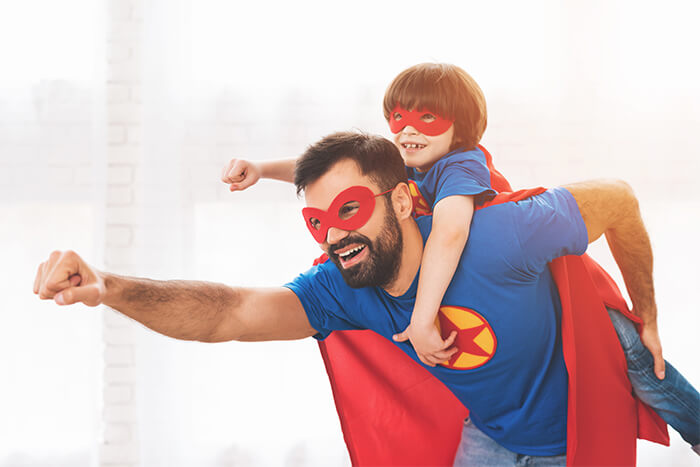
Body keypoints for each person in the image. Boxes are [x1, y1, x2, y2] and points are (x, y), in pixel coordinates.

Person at [35, 133, 695, 464]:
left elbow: (620, 199)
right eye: (317, 222)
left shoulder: (496, 236)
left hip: (580, 423)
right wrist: (110, 287)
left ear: (405, 198)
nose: (335, 235)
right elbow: (228, 313)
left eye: (349, 209)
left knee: (660, 378)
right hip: (491, 439)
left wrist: (651, 313)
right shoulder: (339, 287)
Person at [220, 63, 700, 450]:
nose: (407, 131)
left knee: (643, 366)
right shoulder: (411, 155)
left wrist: (424, 320)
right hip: (504, 297)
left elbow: (450, 233)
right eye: (399, 118)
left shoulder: (459, 164)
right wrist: (262, 169)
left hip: (563, 288)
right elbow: (334, 174)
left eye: (427, 118)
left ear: (461, 126)